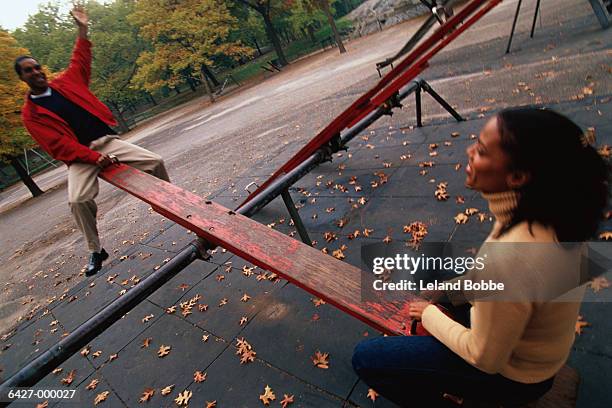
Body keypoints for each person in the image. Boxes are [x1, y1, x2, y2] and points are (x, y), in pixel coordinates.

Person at [352, 108, 609, 406]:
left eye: (483, 151)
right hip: (536, 353)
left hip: (515, 378)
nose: (469, 151)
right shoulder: (550, 212)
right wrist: (448, 291)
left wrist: (429, 314)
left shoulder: (512, 255)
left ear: (517, 177)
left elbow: (484, 357)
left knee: (366, 358)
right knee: (435, 273)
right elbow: (496, 281)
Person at [17, 5, 170, 276]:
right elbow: (59, 147)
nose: (36, 72)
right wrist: (93, 159)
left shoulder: (66, 83)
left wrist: (82, 27)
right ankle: (95, 249)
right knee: (77, 201)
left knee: (155, 161)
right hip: (80, 157)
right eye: (29, 71)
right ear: (23, 78)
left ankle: (169, 202)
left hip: (105, 142)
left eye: (37, 67)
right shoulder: (31, 115)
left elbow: (80, 58)